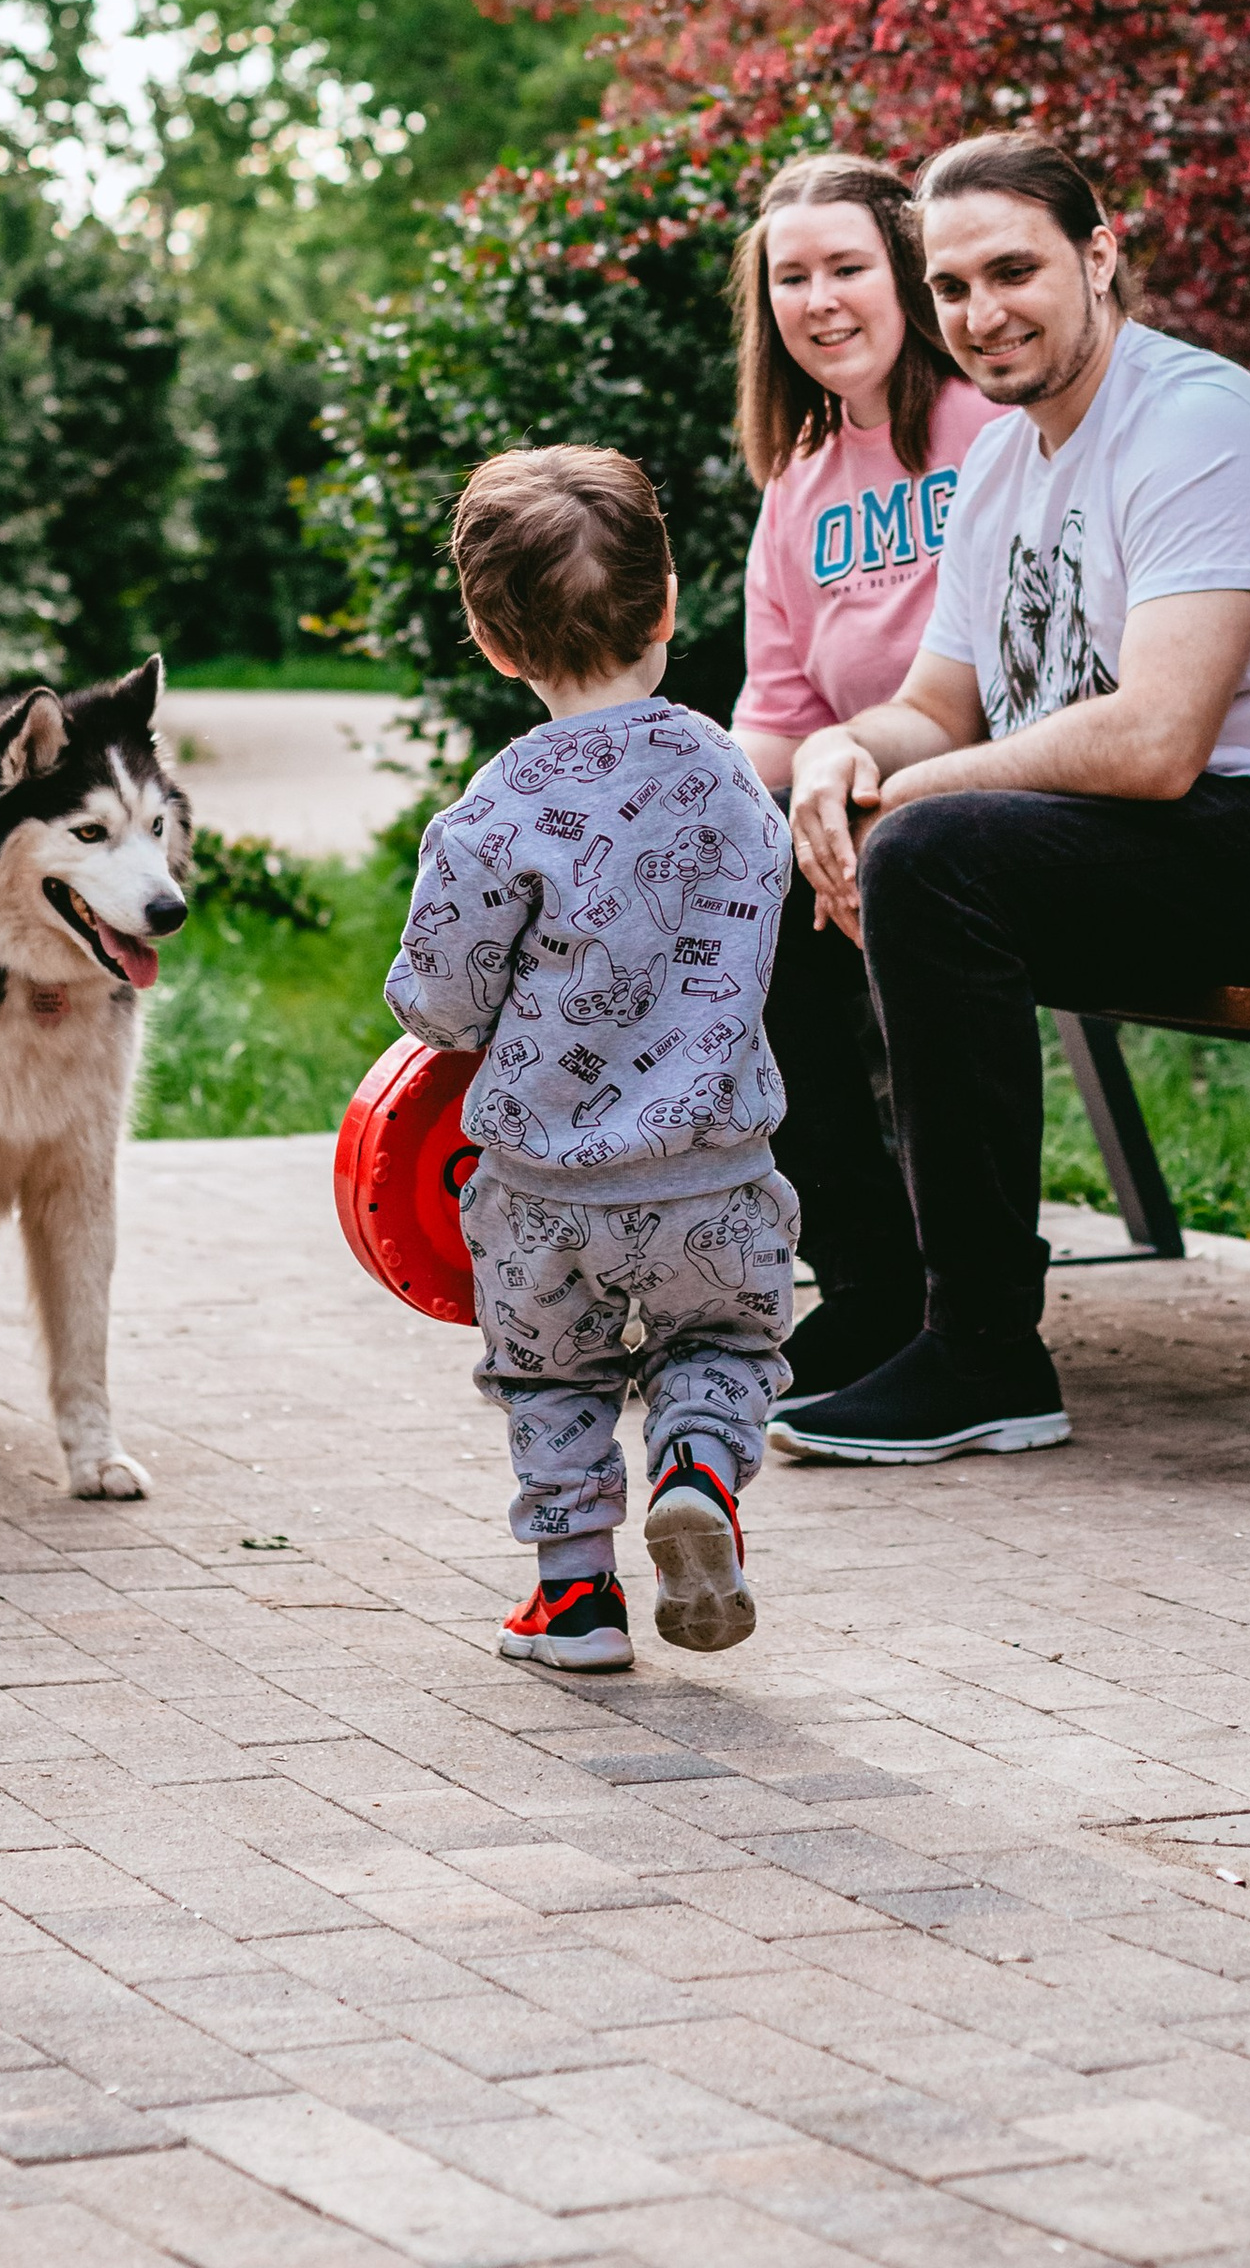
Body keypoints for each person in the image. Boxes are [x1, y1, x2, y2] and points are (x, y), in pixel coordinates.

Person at [769, 132, 1250, 1468]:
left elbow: (1157, 741)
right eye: (951, 287)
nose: (981, 313)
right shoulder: (1003, 464)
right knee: (783, 858)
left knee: (928, 852)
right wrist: (836, 759)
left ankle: (985, 1353)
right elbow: (937, 705)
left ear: (1100, 254)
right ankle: (882, 1299)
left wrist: (906, 797)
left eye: (1013, 271)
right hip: (1141, 845)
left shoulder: (1195, 425)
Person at [383, 443, 796, 1673]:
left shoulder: (497, 807)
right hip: (715, 1174)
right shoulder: (727, 773)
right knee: (722, 1349)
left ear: (490, 641)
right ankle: (698, 1473)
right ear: (668, 604)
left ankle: (574, 1604)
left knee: (548, 1380)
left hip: (542, 1193)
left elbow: (442, 1002)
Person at [728, 153, 1004, 1394]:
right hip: (850, 811)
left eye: (846, 266)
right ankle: (867, 1281)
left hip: (989, 804)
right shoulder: (796, 490)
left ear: (905, 272)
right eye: (792, 278)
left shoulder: (992, 429)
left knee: (843, 872)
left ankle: (942, 1303)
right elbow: (778, 721)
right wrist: (668, 801)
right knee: (732, 886)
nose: (820, 299)